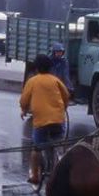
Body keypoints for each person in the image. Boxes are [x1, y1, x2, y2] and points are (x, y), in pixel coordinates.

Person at [20, 53, 70, 185]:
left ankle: (35, 175)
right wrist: (63, 107)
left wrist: (24, 110)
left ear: (36, 68)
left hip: (41, 122)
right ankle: (60, 166)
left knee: (36, 149)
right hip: (58, 120)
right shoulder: (55, 80)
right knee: (59, 144)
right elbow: (66, 95)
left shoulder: (32, 81)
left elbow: (24, 100)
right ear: (50, 68)